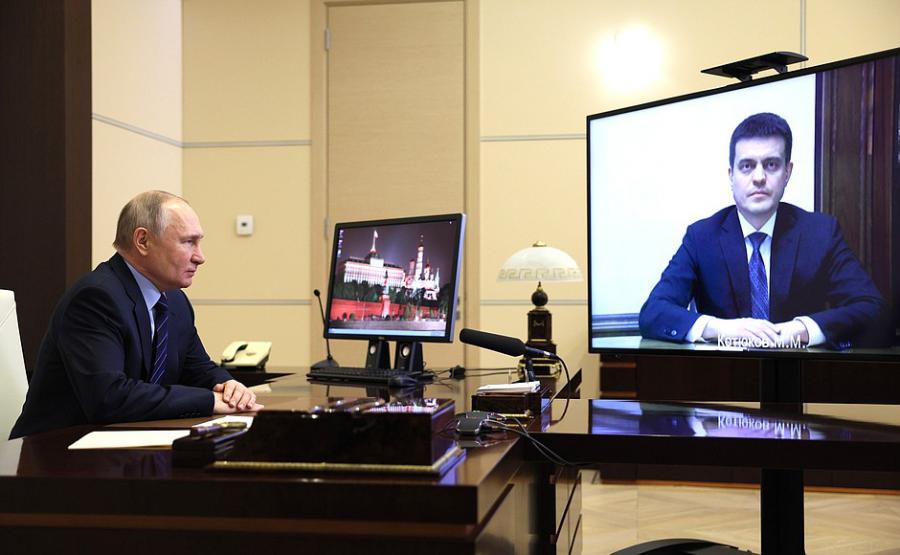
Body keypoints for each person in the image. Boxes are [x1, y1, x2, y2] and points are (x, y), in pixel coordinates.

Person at [11, 191, 262, 438]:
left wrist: (229, 387)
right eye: (188, 242)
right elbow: (109, 398)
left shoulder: (175, 300)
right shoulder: (96, 298)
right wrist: (208, 400)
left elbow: (198, 368)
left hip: (127, 444)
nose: (200, 257)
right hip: (55, 450)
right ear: (143, 241)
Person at [639, 112, 888, 350]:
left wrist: (802, 330)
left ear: (787, 172)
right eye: (747, 166)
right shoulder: (701, 237)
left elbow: (876, 311)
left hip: (800, 372)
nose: (759, 177)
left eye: (771, 164)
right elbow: (653, 312)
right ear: (731, 176)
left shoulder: (820, 234)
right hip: (723, 374)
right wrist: (720, 329)